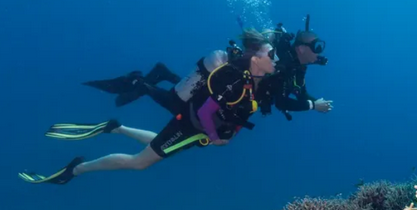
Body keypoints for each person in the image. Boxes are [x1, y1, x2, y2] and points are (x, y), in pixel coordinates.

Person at [18, 30, 278, 185]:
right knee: (139, 162)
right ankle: (73, 170)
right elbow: (205, 112)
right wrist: (214, 137)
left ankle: (116, 128)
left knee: (158, 144)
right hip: (192, 125)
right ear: (255, 59)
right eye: (271, 55)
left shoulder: (254, 78)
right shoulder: (234, 78)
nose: (275, 59)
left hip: (195, 129)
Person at [84, 15, 334, 120]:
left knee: (194, 97)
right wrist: (313, 106)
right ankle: (140, 82)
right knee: (180, 107)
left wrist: (312, 100)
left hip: (230, 89)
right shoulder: (284, 64)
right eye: (316, 47)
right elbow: (281, 101)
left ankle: (162, 74)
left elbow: (299, 91)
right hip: (229, 84)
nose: (319, 52)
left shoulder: (298, 67)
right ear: (301, 48)